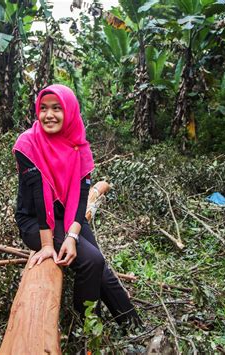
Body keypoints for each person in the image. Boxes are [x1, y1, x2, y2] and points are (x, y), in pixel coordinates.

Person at [13, 84, 139, 325]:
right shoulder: (28, 144)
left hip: (66, 216)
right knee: (90, 261)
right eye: (44, 108)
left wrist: (72, 236)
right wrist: (47, 244)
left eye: (57, 108)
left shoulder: (78, 145)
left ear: (69, 111)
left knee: (99, 265)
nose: (48, 115)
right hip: (34, 221)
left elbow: (81, 196)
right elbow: (40, 196)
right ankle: (90, 330)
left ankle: (131, 325)